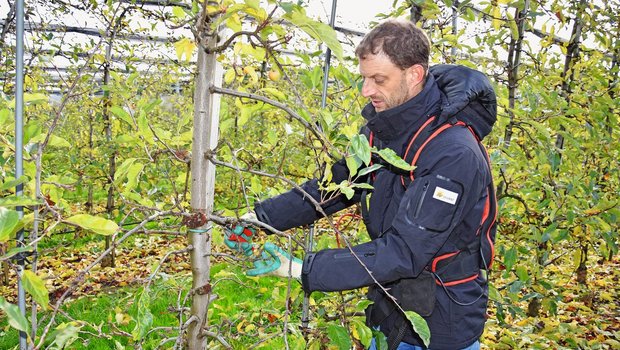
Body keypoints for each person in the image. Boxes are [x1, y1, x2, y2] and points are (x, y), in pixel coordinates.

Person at [224, 19, 497, 350]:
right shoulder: (386, 129)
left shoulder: (453, 152)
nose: (366, 91)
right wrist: (260, 219)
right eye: (365, 78)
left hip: (439, 325)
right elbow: (336, 186)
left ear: (414, 75)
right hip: (388, 306)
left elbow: (404, 251)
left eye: (378, 80)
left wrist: (300, 268)